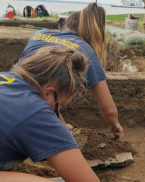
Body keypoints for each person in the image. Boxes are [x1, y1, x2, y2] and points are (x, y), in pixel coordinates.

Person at [0, 46, 105, 182]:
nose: (57, 113)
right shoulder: (33, 109)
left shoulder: (6, 80)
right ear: (50, 93)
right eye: (59, 107)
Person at [20, 3, 123, 138]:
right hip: (30, 112)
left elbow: (35, 85)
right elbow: (108, 110)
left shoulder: (39, 34)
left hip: (10, 89)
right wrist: (115, 125)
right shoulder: (86, 51)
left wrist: (61, 125)